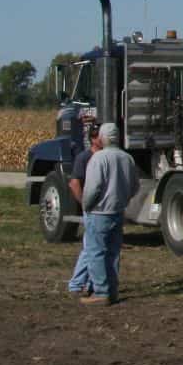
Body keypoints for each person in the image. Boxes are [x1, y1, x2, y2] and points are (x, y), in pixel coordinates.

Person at [77, 122, 139, 305]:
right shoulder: (127, 158)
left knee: (96, 252)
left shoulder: (98, 158)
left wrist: (86, 205)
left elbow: (92, 188)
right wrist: (123, 199)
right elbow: (135, 186)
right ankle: (112, 290)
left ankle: (101, 292)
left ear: (103, 138)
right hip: (118, 211)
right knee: (113, 253)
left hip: (99, 212)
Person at [64, 121, 101, 296]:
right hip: (91, 209)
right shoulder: (84, 158)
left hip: (101, 210)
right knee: (90, 248)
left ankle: (90, 283)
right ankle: (77, 283)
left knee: (96, 248)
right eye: (100, 135)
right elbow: (74, 183)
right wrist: (85, 204)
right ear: (93, 138)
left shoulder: (105, 157)